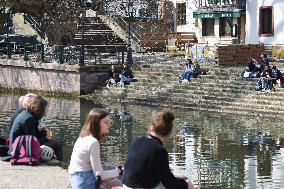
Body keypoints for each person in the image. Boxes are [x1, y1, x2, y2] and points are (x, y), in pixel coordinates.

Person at [122, 108, 195, 189]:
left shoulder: (136, 142)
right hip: (141, 187)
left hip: (126, 186)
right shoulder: (159, 150)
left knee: (181, 180)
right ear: (168, 133)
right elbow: (168, 182)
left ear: (151, 126)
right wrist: (187, 185)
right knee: (187, 184)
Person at [68, 108, 122, 189]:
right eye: (106, 122)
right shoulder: (93, 142)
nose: (110, 125)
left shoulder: (83, 137)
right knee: (117, 182)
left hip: (76, 178)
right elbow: (100, 175)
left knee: (109, 168)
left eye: (110, 122)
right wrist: (119, 171)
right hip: (84, 182)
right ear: (96, 123)